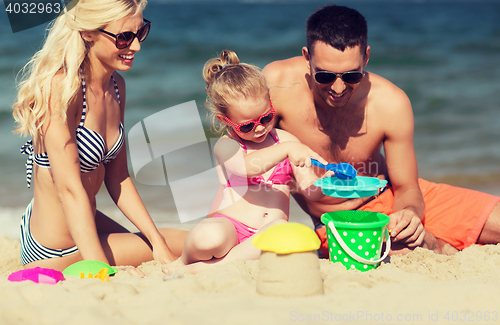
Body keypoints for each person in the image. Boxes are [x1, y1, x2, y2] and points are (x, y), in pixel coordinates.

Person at [262, 4, 500, 258]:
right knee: (393, 249)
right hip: (339, 222)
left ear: (366, 57)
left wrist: (409, 212)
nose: (339, 88)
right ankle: (437, 246)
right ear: (307, 58)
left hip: (393, 197)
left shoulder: (391, 102)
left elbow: (407, 187)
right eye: (325, 76)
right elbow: (242, 161)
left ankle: (431, 241)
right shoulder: (276, 86)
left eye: (352, 76)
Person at [12, 0, 187, 272]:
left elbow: (119, 177)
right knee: (184, 241)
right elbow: (69, 190)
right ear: (88, 33)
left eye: (141, 33)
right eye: (124, 37)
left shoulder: (117, 86)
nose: (136, 46)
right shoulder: (60, 90)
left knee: (167, 242)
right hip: (53, 248)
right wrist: (100, 268)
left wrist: (156, 242)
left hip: (86, 225)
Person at [163, 50, 329, 274]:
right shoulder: (227, 145)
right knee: (207, 237)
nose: (259, 128)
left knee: (280, 230)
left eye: (266, 117)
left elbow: (310, 192)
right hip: (229, 227)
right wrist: (288, 150)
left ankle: (208, 269)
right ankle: (185, 261)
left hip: (265, 232)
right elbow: (247, 167)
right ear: (225, 120)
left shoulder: (286, 140)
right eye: (247, 126)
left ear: (270, 103)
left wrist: (325, 183)